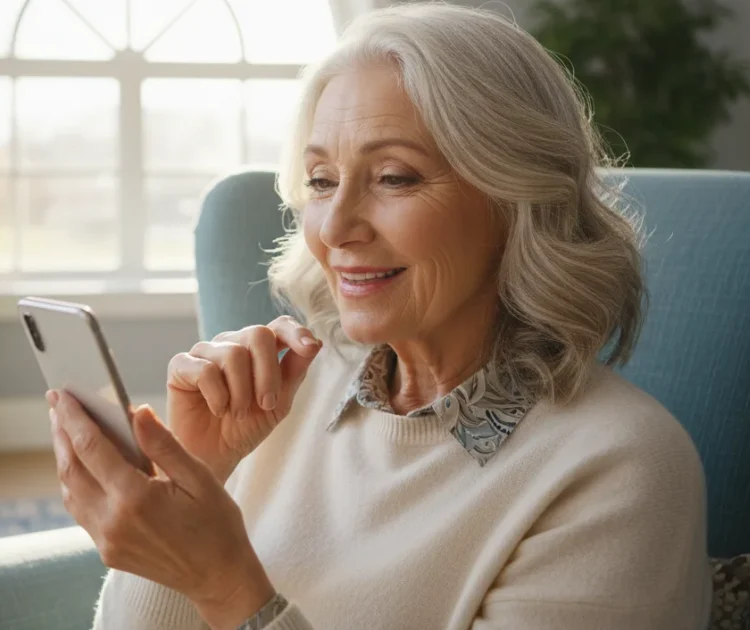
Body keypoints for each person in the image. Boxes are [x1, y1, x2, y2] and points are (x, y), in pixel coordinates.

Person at [46, 3, 711, 629]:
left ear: (516, 200)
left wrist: (226, 584)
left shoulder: (621, 468)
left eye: (394, 178)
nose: (334, 227)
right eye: (321, 181)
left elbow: (226, 591)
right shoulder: (280, 394)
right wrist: (193, 475)